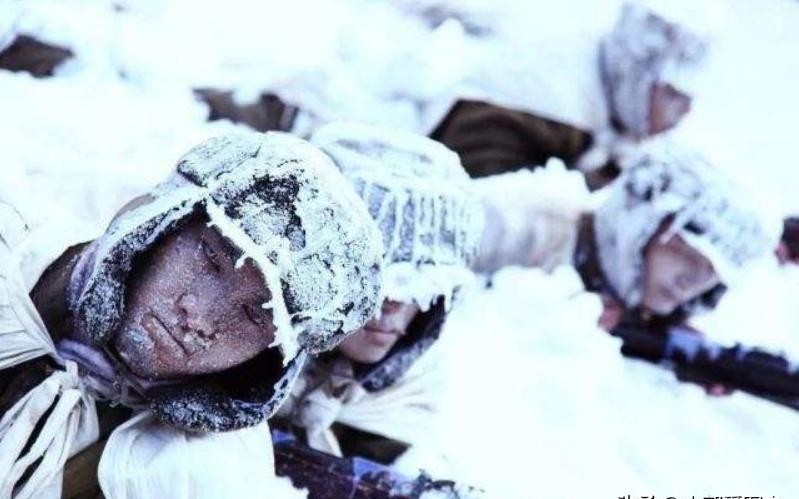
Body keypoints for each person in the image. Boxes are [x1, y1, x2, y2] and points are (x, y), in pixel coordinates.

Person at [0, 131, 384, 499]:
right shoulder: (9, 263)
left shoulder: (209, 481)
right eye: (210, 260)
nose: (199, 318)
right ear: (162, 224)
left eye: (254, 315)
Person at [277, 122, 483, 464]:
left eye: (421, 285)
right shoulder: (236, 358)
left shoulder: (410, 399)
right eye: (377, 280)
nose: (394, 303)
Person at [472, 142, 778, 330]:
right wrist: (529, 317)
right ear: (643, 221)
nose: (690, 281)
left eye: (712, 270)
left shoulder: (645, 312)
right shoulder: (520, 223)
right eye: (684, 250)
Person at [430, 1, 710, 189]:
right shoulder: (547, 105)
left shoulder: (610, 106)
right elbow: (472, 200)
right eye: (674, 95)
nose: (686, 111)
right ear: (636, 76)